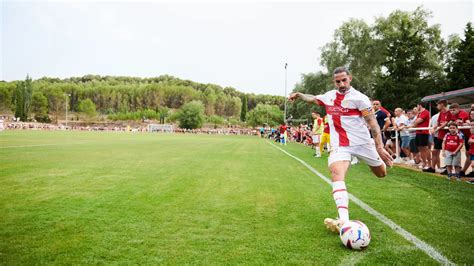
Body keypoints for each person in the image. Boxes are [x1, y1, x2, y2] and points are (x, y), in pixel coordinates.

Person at [288, 66, 393, 232]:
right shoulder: (329, 97)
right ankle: (344, 222)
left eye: (344, 80)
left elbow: (373, 123)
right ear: (334, 82)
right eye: (338, 81)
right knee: (336, 173)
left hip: (363, 144)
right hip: (340, 145)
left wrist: (379, 147)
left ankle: (375, 161)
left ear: (350, 78)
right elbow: (312, 98)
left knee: (381, 173)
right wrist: (300, 95)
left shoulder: (361, 99)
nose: (342, 84)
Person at [449, 103, 471, 177]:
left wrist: (454, 123)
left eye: (454, 110)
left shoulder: (463, 113)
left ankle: (463, 171)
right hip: (463, 136)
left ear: (458, 109)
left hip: (469, 135)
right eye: (451, 110)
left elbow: (457, 123)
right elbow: (451, 123)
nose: (452, 112)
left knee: (469, 154)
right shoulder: (453, 115)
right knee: (467, 154)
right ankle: (462, 171)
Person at [410, 102, 432, 171]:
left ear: (420, 105)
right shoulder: (419, 113)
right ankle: (424, 163)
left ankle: (429, 165)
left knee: (425, 149)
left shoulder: (425, 112)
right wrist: (414, 123)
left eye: (417, 106)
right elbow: (415, 123)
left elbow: (417, 122)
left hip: (423, 133)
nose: (416, 108)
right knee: (420, 149)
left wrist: (413, 124)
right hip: (418, 132)